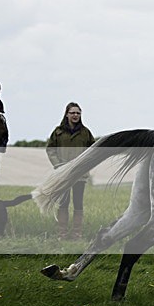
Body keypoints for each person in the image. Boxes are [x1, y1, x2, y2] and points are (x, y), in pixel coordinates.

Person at [46, 102, 95, 239]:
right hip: (64, 174)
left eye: (78, 113)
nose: (75, 115)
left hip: (80, 174)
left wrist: (86, 165)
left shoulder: (85, 133)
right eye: (72, 112)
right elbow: (50, 149)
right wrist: (58, 165)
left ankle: (77, 233)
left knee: (78, 203)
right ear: (67, 114)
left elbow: (93, 151)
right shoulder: (58, 132)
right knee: (63, 202)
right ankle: (62, 233)